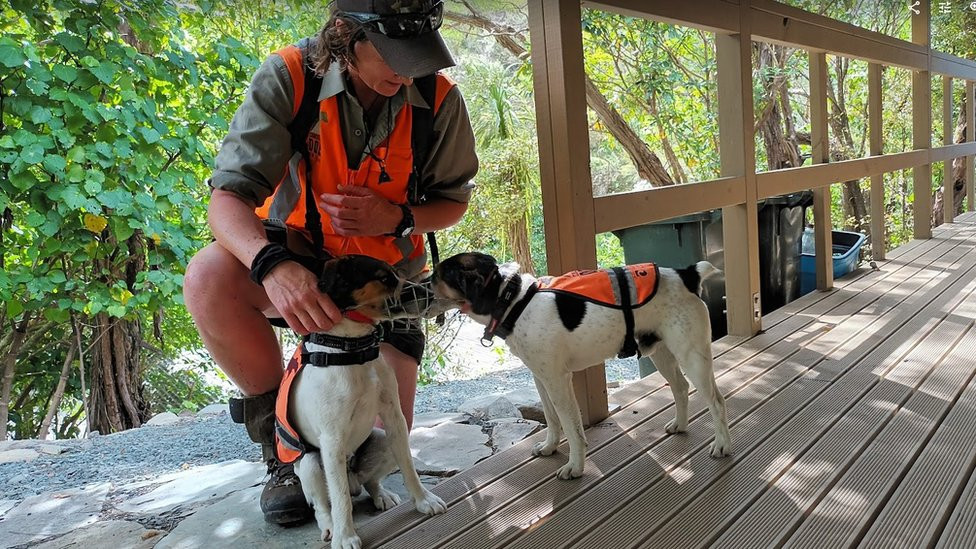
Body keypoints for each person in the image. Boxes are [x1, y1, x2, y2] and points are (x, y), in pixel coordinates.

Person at [182, 0, 477, 526]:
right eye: (391, 54)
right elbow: (225, 202)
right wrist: (271, 265)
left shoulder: (437, 98)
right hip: (301, 263)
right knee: (209, 277)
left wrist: (399, 217)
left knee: (377, 448)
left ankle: (334, 457)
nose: (406, 69)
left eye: (416, 55)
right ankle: (286, 451)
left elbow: (453, 203)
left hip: (386, 288)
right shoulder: (290, 77)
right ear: (345, 34)